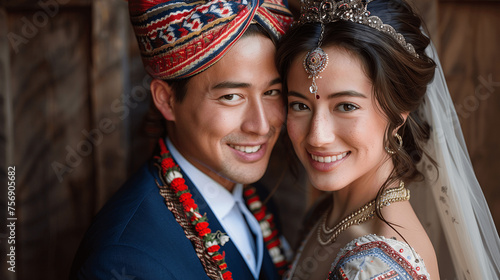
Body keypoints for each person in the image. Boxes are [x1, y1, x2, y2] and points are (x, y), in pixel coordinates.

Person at [69, 0, 294, 279]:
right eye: (231, 97)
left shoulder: (255, 198)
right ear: (167, 100)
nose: (261, 126)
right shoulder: (125, 261)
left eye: (273, 92)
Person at [276, 0, 500, 279]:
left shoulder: (377, 268)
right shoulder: (325, 215)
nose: (317, 137)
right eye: (300, 105)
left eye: (346, 106)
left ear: (398, 115)